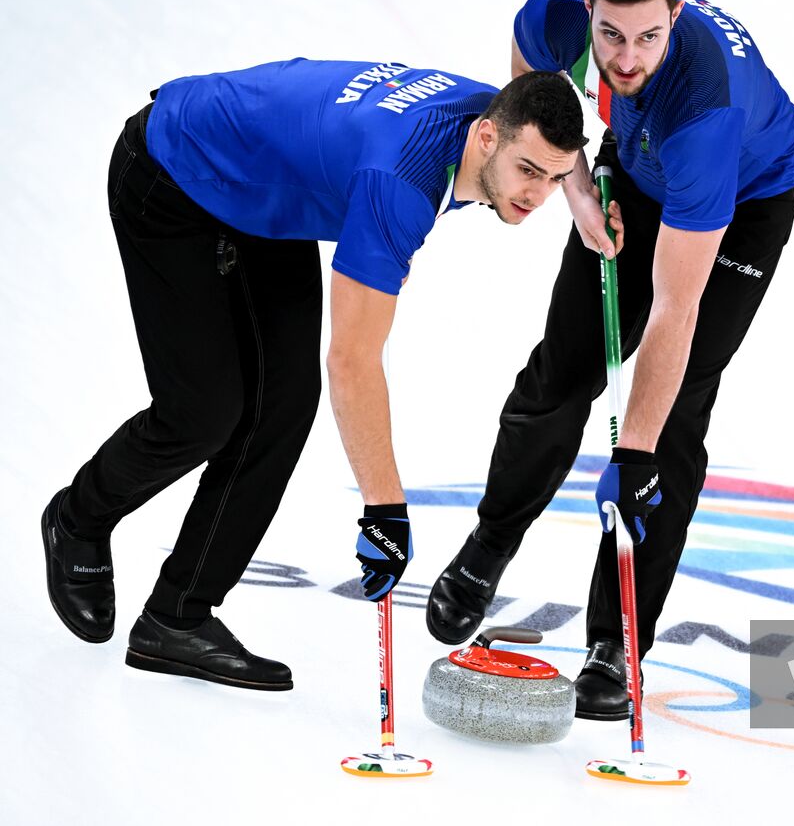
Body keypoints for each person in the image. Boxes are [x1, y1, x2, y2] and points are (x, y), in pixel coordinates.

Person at [41, 60, 585, 691]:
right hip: (176, 171)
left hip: (268, 191)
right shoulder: (398, 183)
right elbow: (352, 365)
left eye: (555, 178)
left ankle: (177, 617)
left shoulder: (483, 127)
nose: (537, 195)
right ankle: (76, 520)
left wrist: (586, 201)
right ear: (487, 137)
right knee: (202, 414)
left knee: (285, 403)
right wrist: (384, 511)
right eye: (528, 172)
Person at [426, 0, 794, 720]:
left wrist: (630, 456)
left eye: (648, 37)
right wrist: (576, 189)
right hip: (634, 168)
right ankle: (490, 544)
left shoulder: (707, 112)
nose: (626, 58)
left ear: (677, 13)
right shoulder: (556, 11)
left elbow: (676, 305)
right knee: (564, 368)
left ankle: (617, 641)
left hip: (739, 203)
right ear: (589, 10)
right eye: (610, 35)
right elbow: (532, 97)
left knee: (669, 426)